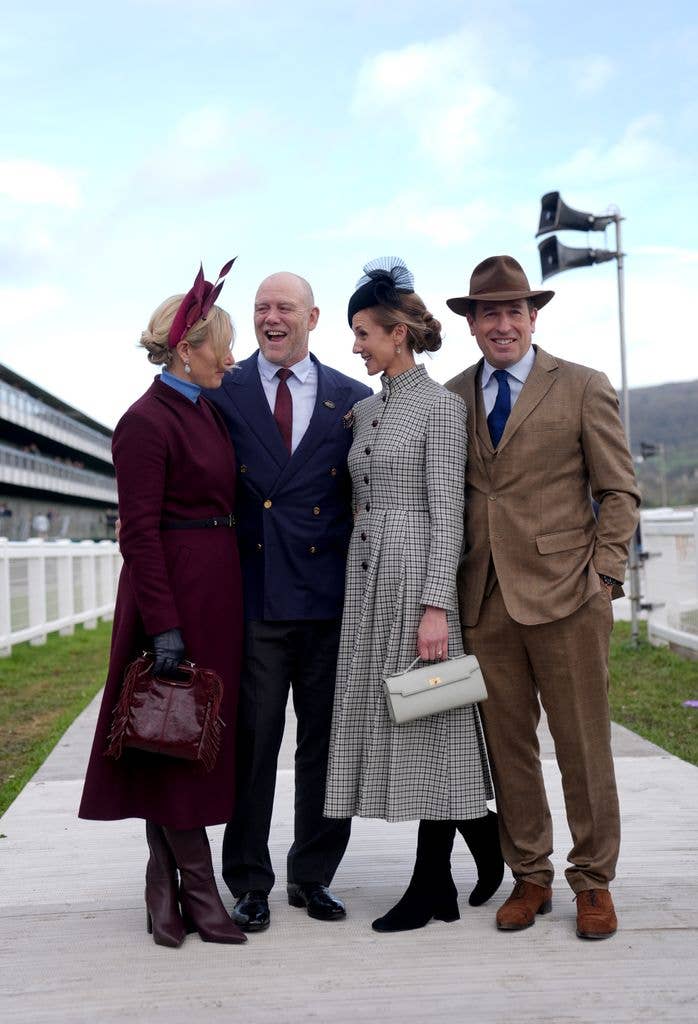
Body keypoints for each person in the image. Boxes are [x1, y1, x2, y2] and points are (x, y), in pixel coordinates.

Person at [445, 254, 641, 940]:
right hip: (485, 600)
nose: (502, 324)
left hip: (568, 596)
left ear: (533, 317)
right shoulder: (452, 396)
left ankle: (594, 881)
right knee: (509, 750)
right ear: (471, 324)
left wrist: (606, 578)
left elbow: (619, 492)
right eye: (488, 312)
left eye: (513, 311)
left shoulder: (583, 386)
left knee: (582, 746)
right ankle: (531, 875)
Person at [323, 257, 503, 933]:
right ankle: (483, 841)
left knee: (430, 723)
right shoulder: (366, 410)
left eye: (363, 331)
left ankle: (432, 885)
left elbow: (447, 512)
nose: (355, 344)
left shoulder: (441, 407)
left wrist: (436, 605)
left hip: (416, 579)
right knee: (402, 724)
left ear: (397, 333)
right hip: (366, 580)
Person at [79, 260, 248, 947]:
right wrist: (166, 624)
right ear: (187, 349)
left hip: (217, 587)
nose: (231, 359)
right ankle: (200, 893)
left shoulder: (205, 409)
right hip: (172, 592)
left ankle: (161, 884)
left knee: (182, 734)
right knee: (172, 733)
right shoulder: (144, 422)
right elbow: (138, 533)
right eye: (223, 346)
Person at [208, 272, 371, 931]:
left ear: (313, 317)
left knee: (327, 746)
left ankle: (314, 875)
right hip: (254, 597)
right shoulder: (225, 391)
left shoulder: (354, 400)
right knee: (253, 744)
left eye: (284, 308)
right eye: (260, 308)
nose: (271, 318)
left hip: (330, 600)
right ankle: (249, 881)